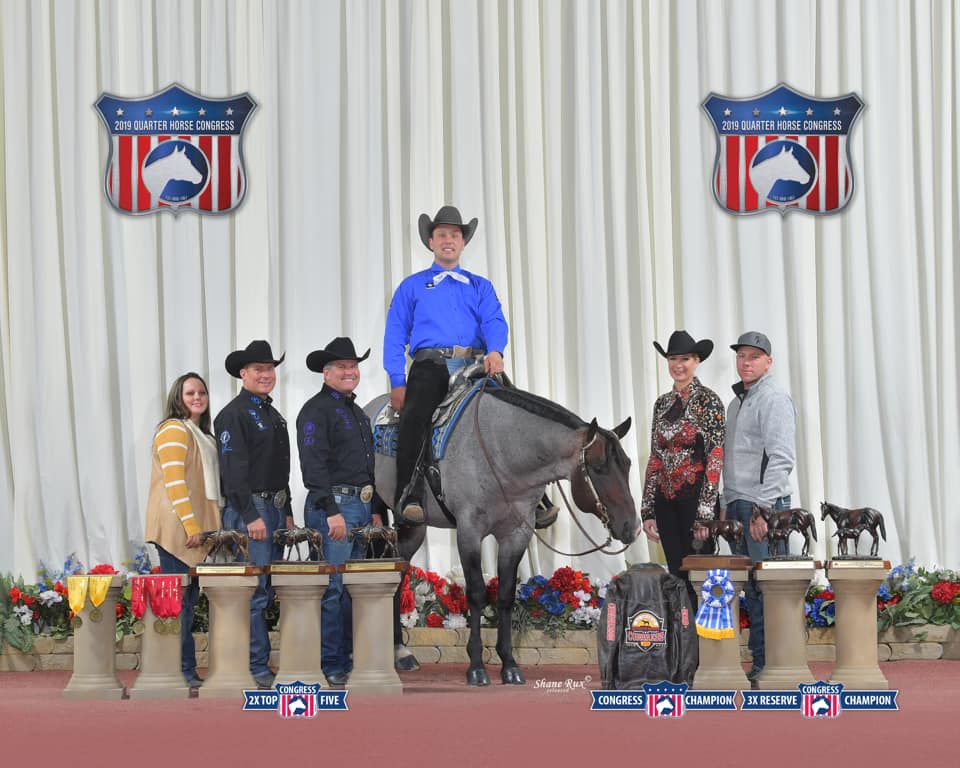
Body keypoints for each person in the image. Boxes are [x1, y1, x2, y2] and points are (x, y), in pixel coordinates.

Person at [384, 205, 555, 528]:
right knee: (415, 416)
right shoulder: (412, 286)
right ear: (431, 242)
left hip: (475, 362)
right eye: (442, 235)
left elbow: (493, 320)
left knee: (517, 410)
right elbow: (395, 334)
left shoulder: (480, 286)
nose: (448, 240)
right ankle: (410, 494)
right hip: (431, 363)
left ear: (463, 243)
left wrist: (495, 351)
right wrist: (397, 379)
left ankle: (536, 496)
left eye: (455, 235)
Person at [297, 337, 381, 687]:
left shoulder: (357, 414)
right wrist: (330, 511)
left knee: (353, 586)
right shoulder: (316, 411)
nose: (350, 372)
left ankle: (347, 655)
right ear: (326, 372)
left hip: (360, 504)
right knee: (333, 587)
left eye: (354, 366)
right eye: (343, 367)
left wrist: (374, 509)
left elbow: (367, 467)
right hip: (335, 505)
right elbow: (312, 466)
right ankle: (331, 661)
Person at [215, 340, 292, 689]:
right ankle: (254, 666)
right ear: (243, 374)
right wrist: (249, 514)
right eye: (259, 369)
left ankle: (259, 662)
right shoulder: (233, 415)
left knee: (268, 589)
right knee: (255, 591)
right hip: (254, 510)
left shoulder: (272, 415)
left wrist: (286, 510)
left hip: (273, 507)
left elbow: (281, 470)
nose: (266, 374)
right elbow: (233, 472)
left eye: (270, 368)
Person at [721, 331, 797, 684]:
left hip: (761, 506)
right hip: (738, 503)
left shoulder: (774, 398)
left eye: (754, 356)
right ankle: (762, 663)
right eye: (741, 356)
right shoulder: (736, 403)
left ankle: (775, 665)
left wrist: (764, 508)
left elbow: (782, 458)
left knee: (767, 586)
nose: (746, 362)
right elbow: (730, 461)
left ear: (769, 362)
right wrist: (725, 503)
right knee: (751, 588)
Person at [144, 372, 223, 688]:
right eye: (190, 392)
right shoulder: (174, 430)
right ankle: (181, 673)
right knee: (179, 606)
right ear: (178, 397)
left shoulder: (200, 433)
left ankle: (184, 671)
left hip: (194, 528)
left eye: (202, 392)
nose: (197, 397)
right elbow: (175, 482)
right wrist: (192, 525)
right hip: (178, 528)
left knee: (186, 604)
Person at [640, 331, 725, 606]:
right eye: (673, 358)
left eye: (685, 359)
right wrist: (648, 509)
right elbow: (655, 456)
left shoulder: (708, 401)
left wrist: (705, 514)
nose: (678, 364)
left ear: (696, 361)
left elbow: (715, 456)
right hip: (666, 502)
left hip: (695, 500)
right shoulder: (661, 404)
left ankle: (707, 647)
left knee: (701, 576)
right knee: (676, 576)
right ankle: (684, 642)